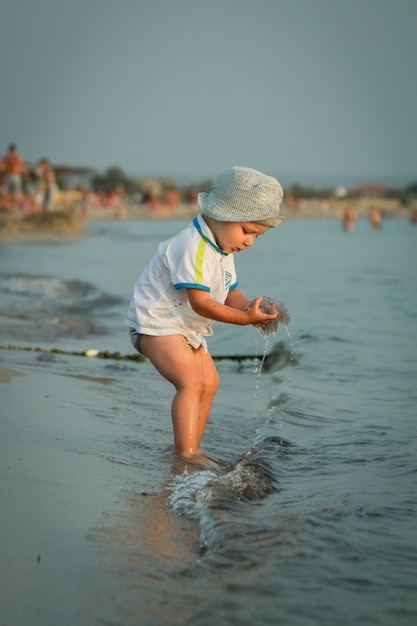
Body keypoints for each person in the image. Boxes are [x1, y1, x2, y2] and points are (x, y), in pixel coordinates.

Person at [125, 166, 286, 467]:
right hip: (155, 323)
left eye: (257, 236)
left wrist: (252, 308)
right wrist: (245, 320)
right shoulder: (193, 245)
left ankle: (192, 447)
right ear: (223, 215)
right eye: (247, 231)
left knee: (210, 381)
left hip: (183, 328)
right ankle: (185, 454)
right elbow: (200, 303)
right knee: (190, 381)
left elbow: (229, 295)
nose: (250, 241)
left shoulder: (224, 249)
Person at [0, 143, 26, 211]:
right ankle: (14, 208)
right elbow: (22, 168)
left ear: (9, 150)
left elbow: (1, 167)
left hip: (10, 176)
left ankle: (9, 207)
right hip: (16, 176)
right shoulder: (19, 157)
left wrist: (3, 173)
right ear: (15, 150)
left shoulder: (7, 157)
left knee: (9, 192)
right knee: (15, 193)